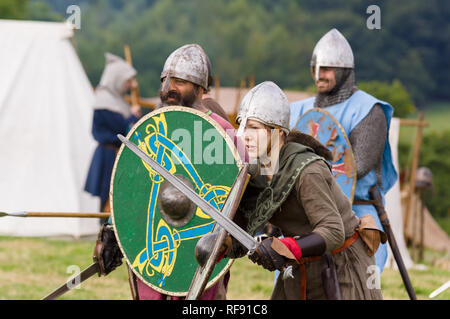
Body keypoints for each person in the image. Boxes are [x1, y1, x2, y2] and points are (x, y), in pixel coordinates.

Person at [93, 44, 242, 300]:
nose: (168, 88)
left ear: (200, 88)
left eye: (180, 81)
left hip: (202, 245)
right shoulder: (152, 129)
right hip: (156, 245)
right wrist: (111, 229)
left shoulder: (224, 134)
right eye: (165, 80)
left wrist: (233, 241)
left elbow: (244, 197)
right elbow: (130, 188)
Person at [219, 81, 383, 300]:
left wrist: (283, 246)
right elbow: (243, 231)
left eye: (254, 128)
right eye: (242, 125)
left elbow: (333, 231)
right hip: (299, 265)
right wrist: (224, 242)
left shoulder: (308, 171)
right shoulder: (254, 171)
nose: (244, 135)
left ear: (277, 132)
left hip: (341, 266)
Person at [289, 29, 397, 273]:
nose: (320, 75)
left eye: (327, 69)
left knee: (356, 284)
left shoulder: (368, 110)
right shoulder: (296, 111)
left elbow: (355, 167)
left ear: (345, 71)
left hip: (356, 213)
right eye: (316, 68)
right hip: (303, 215)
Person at [85, 53, 141, 223]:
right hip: (109, 156)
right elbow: (121, 130)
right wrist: (132, 117)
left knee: (116, 201)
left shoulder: (115, 101)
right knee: (107, 202)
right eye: (125, 81)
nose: (127, 86)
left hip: (115, 154)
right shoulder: (105, 103)